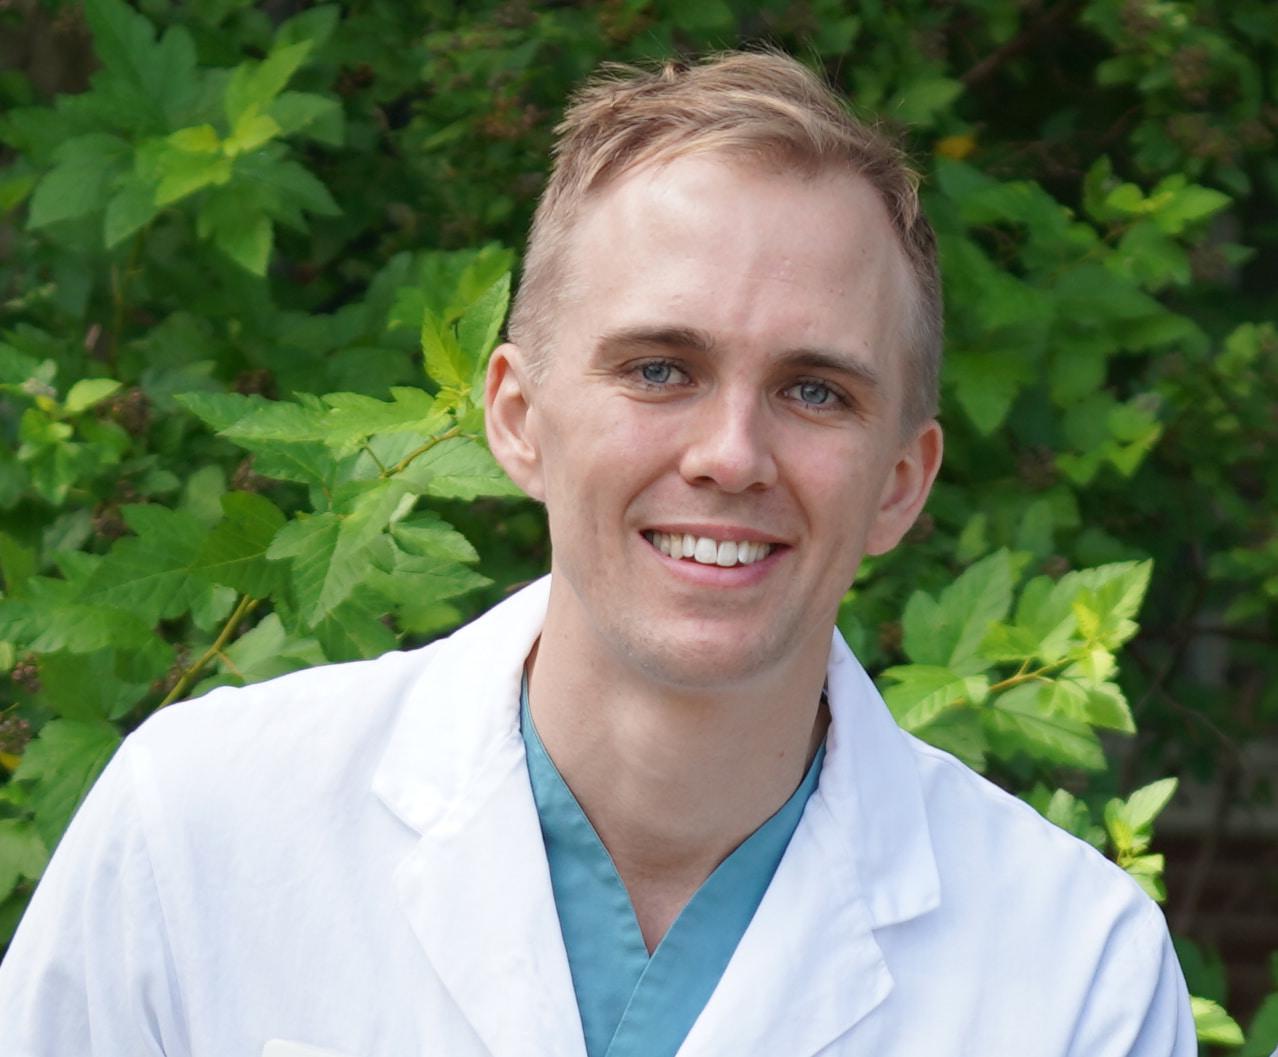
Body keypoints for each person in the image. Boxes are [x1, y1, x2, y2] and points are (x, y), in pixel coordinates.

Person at [0, 51, 1194, 1057]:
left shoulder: (1072, 970)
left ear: (900, 482)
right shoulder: (202, 831)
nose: (731, 454)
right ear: (517, 416)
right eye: (659, 369)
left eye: (815, 390)